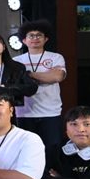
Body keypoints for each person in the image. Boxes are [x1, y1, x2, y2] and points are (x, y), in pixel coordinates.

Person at [14, 20, 68, 149]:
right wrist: (46, 75)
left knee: (51, 150)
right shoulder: (15, 61)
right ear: (24, 40)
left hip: (51, 112)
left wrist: (28, 74)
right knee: (26, 150)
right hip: (24, 113)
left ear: (46, 39)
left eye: (39, 35)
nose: (35, 38)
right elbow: (15, 84)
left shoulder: (56, 57)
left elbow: (57, 76)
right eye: (31, 36)